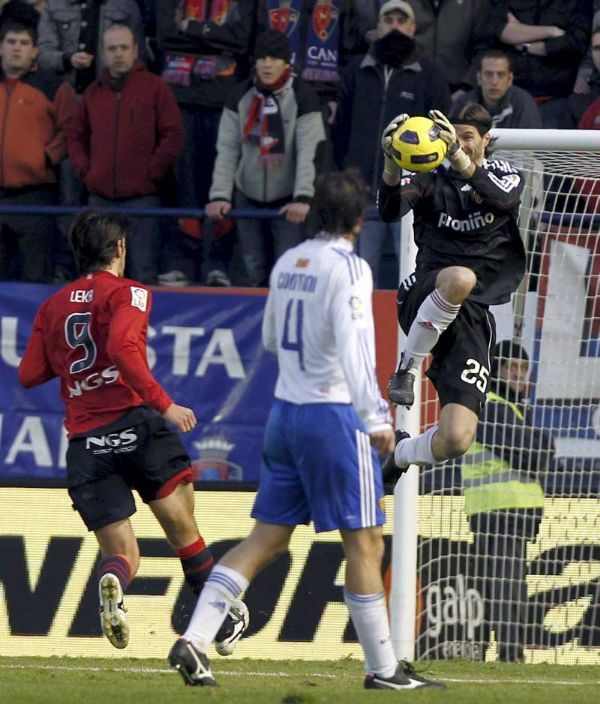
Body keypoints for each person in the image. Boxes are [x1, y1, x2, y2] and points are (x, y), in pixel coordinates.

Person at [167, 170, 444, 691]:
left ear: (316, 211)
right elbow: (356, 347)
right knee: (364, 543)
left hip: (284, 414)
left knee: (266, 539)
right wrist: (376, 418)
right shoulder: (350, 268)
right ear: (360, 219)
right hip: (331, 416)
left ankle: (195, 640)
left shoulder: (288, 262)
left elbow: (271, 338)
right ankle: (383, 669)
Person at [17, 211, 248, 654]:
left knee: (123, 553)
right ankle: (217, 620)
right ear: (119, 249)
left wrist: (72, 364)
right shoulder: (131, 294)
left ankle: (112, 580)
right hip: (135, 426)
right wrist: (166, 405)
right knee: (184, 531)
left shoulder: (53, 305)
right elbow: (123, 347)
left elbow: (29, 374)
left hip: (87, 443)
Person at [379, 102, 526, 479]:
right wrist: (393, 163)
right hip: (423, 291)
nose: (453, 142)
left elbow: (504, 199)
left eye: (465, 137)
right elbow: (390, 210)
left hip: (472, 316)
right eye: (450, 135)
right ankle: (405, 370)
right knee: (460, 277)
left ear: (485, 140)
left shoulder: (505, 173)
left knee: (456, 438)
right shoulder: (429, 175)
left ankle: (400, 453)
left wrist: (459, 156)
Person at [332, 0, 451, 288]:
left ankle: (408, 331)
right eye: (389, 19)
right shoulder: (355, 71)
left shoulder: (431, 74)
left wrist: (429, 185)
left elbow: (443, 133)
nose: (395, 25)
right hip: (363, 192)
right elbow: (339, 131)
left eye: (402, 20)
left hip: (411, 193)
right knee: (359, 274)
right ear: (379, 27)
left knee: (413, 272)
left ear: (411, 28)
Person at [206, 29, 326, 288]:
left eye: (274, 58)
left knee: (288, 267)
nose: (267, 64)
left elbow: (310, 150)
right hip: (247, 196)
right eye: (261, 58)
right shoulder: (240, 95)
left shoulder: (303, 96)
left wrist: (303, 197)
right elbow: (227, 149)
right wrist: (220, 196)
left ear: (287, 63)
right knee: (253, 267)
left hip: (289, 201)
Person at [68, 23, 184, 284]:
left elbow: (173, 135)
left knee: (143, 276)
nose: (118, 54)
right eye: (112, 48)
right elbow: (75, 137)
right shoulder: (92, 93)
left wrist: (150, 173)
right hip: (100, 201)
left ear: (135, 50)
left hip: (142, 200)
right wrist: (88, 173)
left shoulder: (156, 88)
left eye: (123, 47)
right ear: (103, 53)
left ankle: (142, 327)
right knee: (99, 279)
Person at [462, 340, 554, 662]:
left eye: (523, 369)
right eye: (511, 368)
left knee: (495, 583)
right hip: (503, 509)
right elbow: (534, 455)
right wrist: (545, 444)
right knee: (507, 584)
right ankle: (510, 655)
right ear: (497, 371)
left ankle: (490, 653)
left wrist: (540, 445)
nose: (518, 375)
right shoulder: (493, 405)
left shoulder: (506, 408)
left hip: (493, 508)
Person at [156, 0, 256, 287]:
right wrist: (214, 36)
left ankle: (218, 263)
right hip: (181, 99)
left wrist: (192, 28)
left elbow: (240, 40)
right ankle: (185, 263)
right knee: (185, 188)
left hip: (223, 100)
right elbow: (165, 35)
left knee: (220, 186)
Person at [0, 7, 77, 282]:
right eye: (11, 42)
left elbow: (71, 130)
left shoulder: (53, 85)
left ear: (34, 51)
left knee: (35, 279)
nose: (17, 49)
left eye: (23, 44)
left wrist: (44, 158)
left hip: (36, 197)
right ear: (1, 47)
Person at [482, 1, 592, 128]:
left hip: (556, 98)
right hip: (509, 98)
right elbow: (502, 31)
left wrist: (525, 45)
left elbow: (574, 44)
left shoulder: (576, 3)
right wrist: (552, 31)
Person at [453, 49, 542, 129]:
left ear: (510, 79)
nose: (494, 82)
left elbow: (534, 144)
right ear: (479, 78)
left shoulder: (524, 103)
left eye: (501, 75)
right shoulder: (462, 104)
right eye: (488, 74)